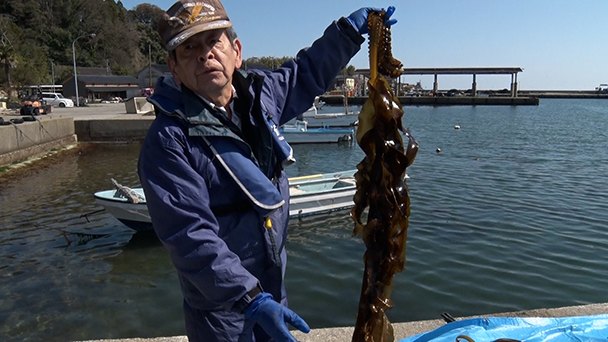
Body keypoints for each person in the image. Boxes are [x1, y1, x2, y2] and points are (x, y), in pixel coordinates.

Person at [137, 1, 397, 341]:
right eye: (189, 49)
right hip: (222, 313)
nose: (205, 55)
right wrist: (249, 298)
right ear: (173, 67)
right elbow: (189, 236)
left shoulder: (258, 96)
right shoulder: (167, 142)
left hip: (273, 291)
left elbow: (305, 74)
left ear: (236, 51)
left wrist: (347, 33)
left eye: (214, 40)